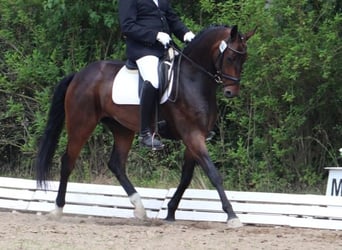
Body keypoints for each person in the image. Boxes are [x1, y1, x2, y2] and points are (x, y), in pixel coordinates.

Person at [118, 0, 195, 150]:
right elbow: (127, 26)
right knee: (153, 80)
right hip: (143, 50)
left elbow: (173, 20)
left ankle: (193, 122)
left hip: (165, 49)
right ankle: (145, 132)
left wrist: (186, 33)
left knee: (187, 72)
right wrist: (155, 35)